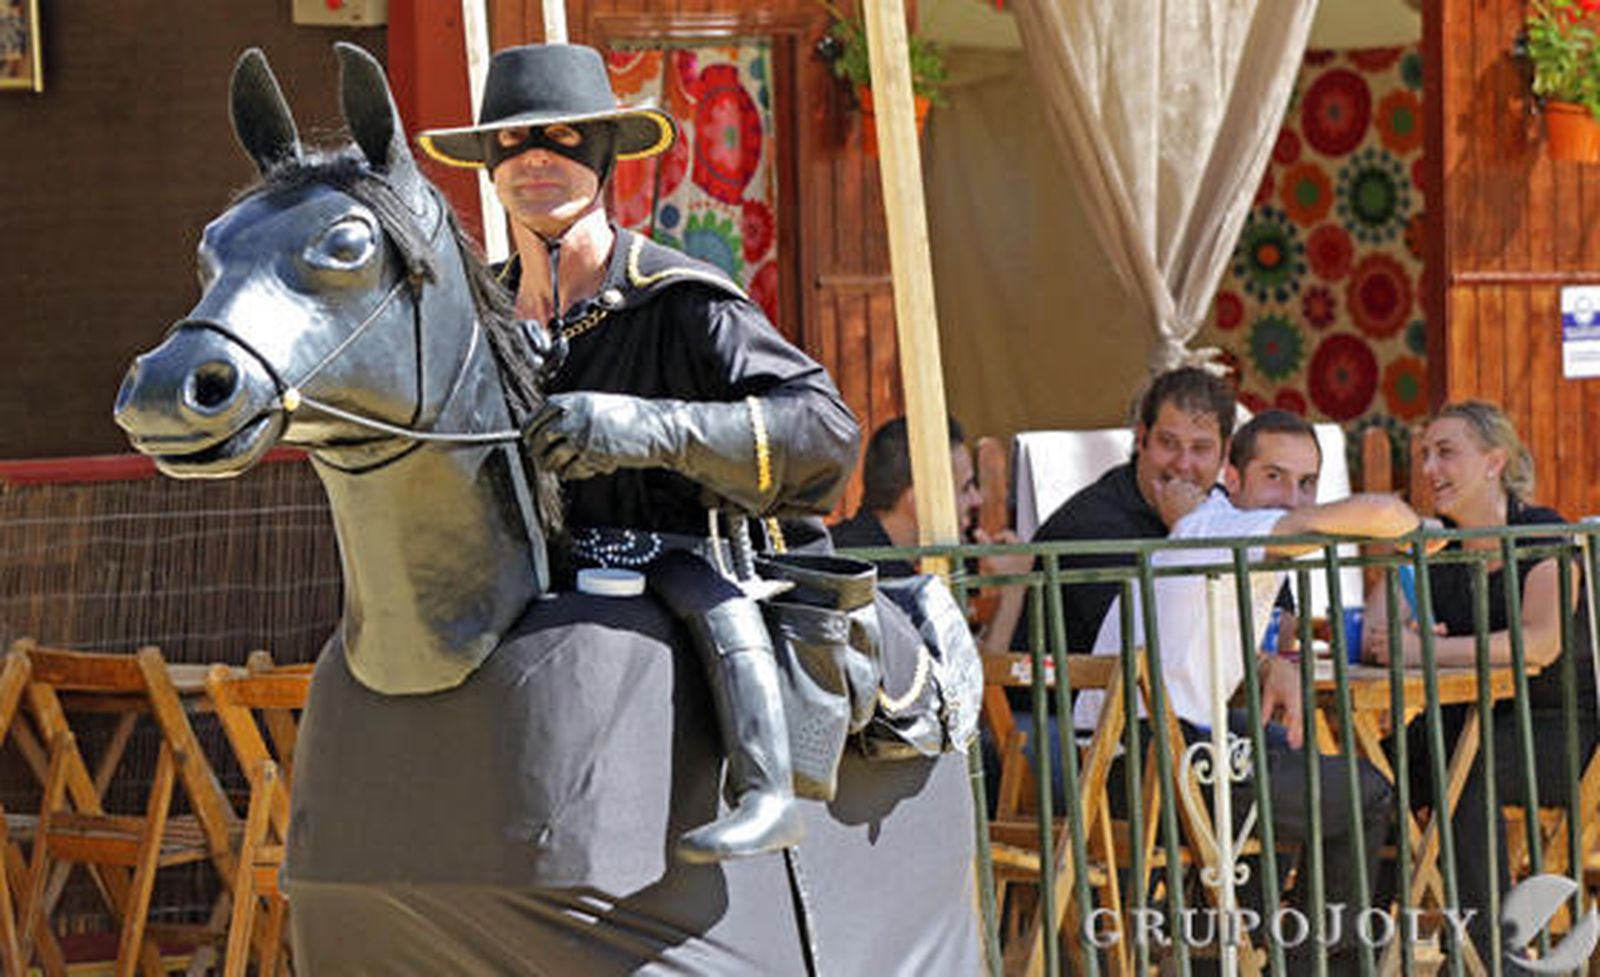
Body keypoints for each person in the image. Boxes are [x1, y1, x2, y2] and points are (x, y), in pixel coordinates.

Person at [419, 44, 860, 863]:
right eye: (511, 142)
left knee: (703, 592)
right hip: (518, 579)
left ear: (605, 155)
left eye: (561, 137)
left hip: (683, 565)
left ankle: (767, 788)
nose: (534, 159)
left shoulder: (682, 298)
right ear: (487, 165)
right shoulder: (470, 321)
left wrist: (651, 429)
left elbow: (826, 433)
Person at [1075, 410, 1421, 961]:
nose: (1292, 497)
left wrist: (1266, 664)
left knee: (1278, 755)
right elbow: (1381, 513)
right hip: (1151, 775)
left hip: (1124, 766)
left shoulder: (1205, 527)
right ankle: (1315, 967)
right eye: (1274, 476)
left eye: (1306, 483)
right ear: (1232, 478)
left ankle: (1240, 955)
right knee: (1367, 792)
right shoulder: (1227, 529)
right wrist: (1422, 533)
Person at [1363, 401, 1599, 953]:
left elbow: (1539, 642)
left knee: (1467, 766)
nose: (1429, 469)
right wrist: (1406, 557)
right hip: (1466, 722)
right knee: (1371, 776)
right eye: (1425, 455)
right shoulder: (1436, 543)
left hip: (1565, 729)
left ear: (1494, 462)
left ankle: (1495, 957)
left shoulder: (1540, 533)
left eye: (1446, 453)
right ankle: (1355, 951)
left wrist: (1427, 651)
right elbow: (1377, 638)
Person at [1030, 366, 1237, 651]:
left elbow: (1278, 615)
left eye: (1200, 448)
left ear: (1224, 454)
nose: (1183, 464)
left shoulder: (1226, 509)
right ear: (1141, 439)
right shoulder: (1090, 526)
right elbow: (1148, 647)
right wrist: (1186, 532)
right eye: (1168, 443)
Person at [830, 416, 1030, 652]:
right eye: (965, 488)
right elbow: (967, 673)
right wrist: (1015, 586)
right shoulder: (884, 581)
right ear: (920, 501)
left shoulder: (847, 549)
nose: (977, 499)